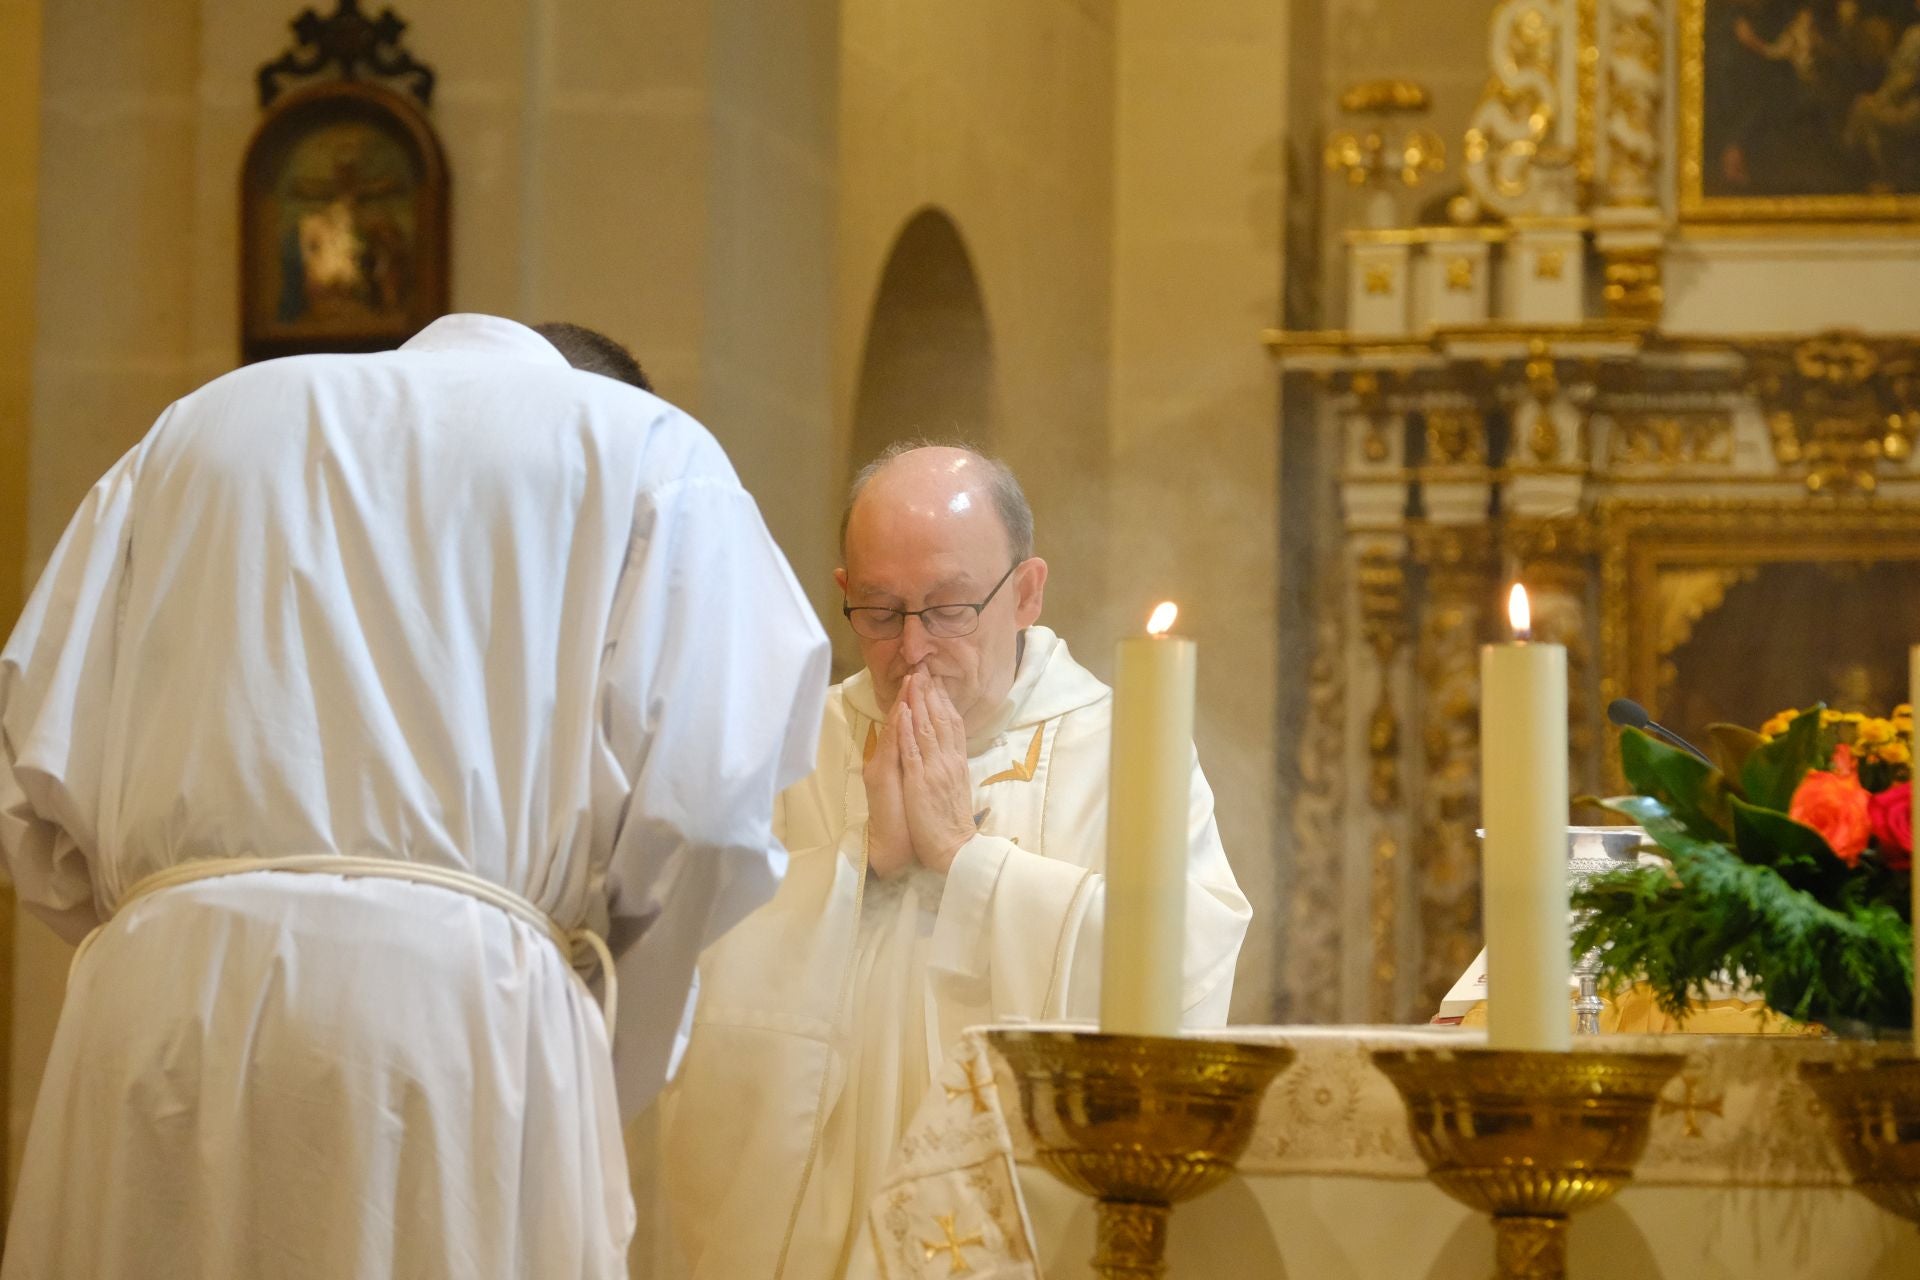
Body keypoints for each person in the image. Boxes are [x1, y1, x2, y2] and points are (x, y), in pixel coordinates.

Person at [0, 313, 830, 1279]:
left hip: (156, 1009)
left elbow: (34, 763)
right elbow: (703, 818)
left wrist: (175, 930)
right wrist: (595, 1045)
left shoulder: (189, 431)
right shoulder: (647, 446)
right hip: (454, 1014)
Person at [659, 442, 1251, 1279]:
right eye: (879, 610)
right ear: (843, 596)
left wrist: (968, 864)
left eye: (946, 609)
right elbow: (695, 988)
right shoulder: (797, 745)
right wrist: (858, 867)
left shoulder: (1119, 749)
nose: (911, 649)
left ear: (1027, 593)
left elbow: (1184, 974)